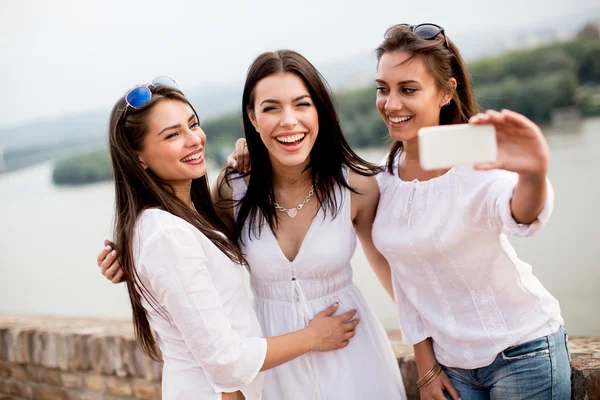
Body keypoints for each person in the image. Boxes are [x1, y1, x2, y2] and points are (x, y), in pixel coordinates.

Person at [99, 52, 407, 399]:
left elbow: (395, 264)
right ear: (253, 117)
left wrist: (427, 346)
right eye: (271, 107)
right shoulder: (232, 190)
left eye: (302, 104)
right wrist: (133, 261)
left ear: (320, 109)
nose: (288, 120)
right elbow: (180, 256)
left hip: (350, 344)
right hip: (272, 363)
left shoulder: (358, 185)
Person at [371, 24, 571, 399]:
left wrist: (534, 172)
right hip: (452, 366)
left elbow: (521, 215)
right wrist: (426, 364)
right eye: (383, 89)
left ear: (447, 91)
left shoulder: (473, 158)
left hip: (523, 352)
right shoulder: (382, 178)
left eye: (408, 89)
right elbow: (404, 281)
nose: (391, 104)